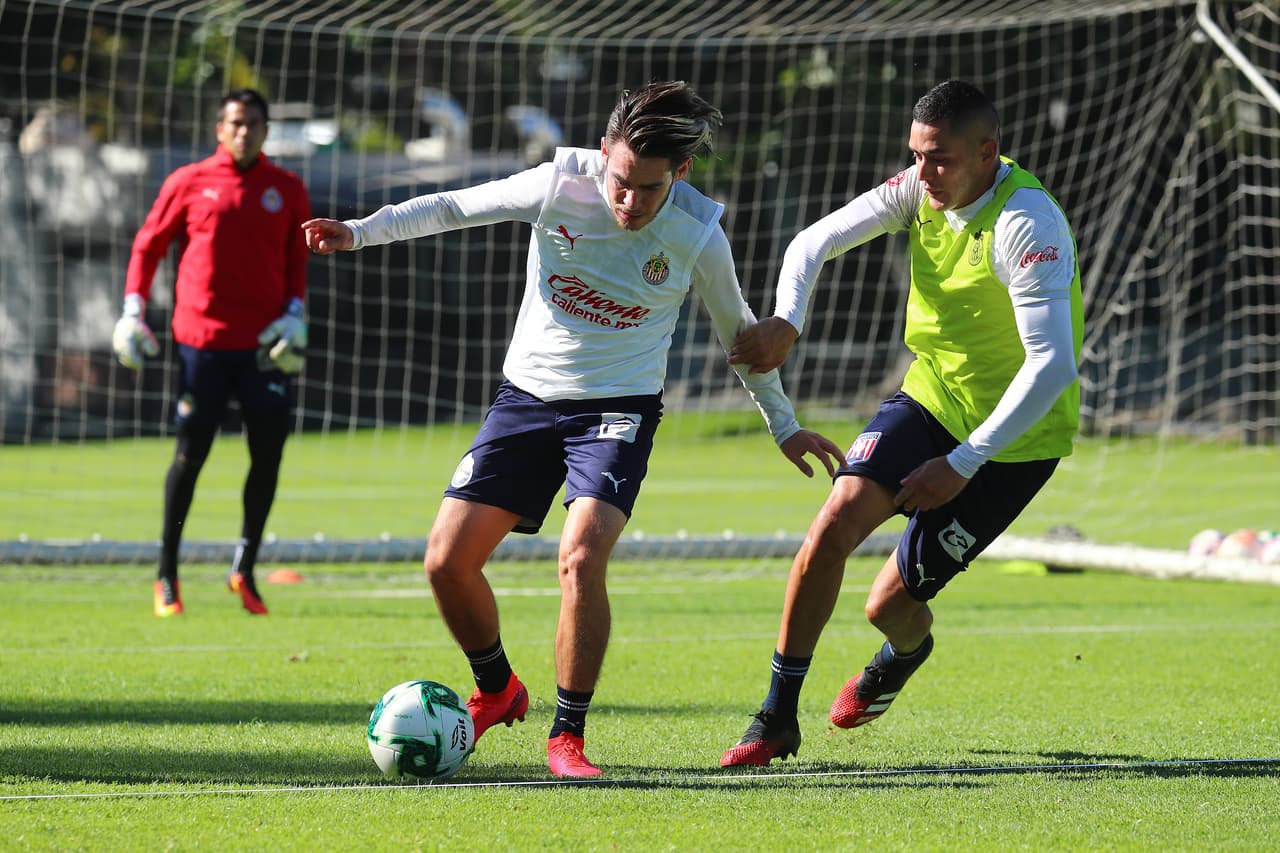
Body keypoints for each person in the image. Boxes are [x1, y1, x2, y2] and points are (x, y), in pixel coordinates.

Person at [301, 81, 844, 778]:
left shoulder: (699, 234)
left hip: (616, 413)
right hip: (525, 401)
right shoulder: (558, 184)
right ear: (602, 157)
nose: (630, 201)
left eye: (649, 188)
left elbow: (742, 339)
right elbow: (452, 206)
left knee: (581, 558)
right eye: (621, 182)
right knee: (445, 562)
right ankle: (498, 688)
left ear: (680, 174)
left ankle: (567, 735)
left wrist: (785, 424)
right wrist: (359, 232)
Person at [720, 79, 1083, 767]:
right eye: (916, 155)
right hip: (930, 397)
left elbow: (1052, 366)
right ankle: (775, 717)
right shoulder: (916, 189)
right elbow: (811, 242)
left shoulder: (1025, 223)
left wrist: (962, 463)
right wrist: (789, 320)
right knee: (831, 525)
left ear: (988, 152)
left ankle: (904, 652)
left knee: (887, 605)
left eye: (940, 159)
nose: (923, 173)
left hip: (1015, 441)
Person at [112, 88, 313, 619]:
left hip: (265, 348)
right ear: (219, 129)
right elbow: (148, 244)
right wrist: (133, 308)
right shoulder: (189, 181)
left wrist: (295, 310)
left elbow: (297, 260)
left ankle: (243, 570)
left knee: (268, 452)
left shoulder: (286, 188)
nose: (244, 131)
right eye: (235, 122)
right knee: (191, 454)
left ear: (266, 131)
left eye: (253, 123)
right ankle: (167, 575)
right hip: (201, 345)